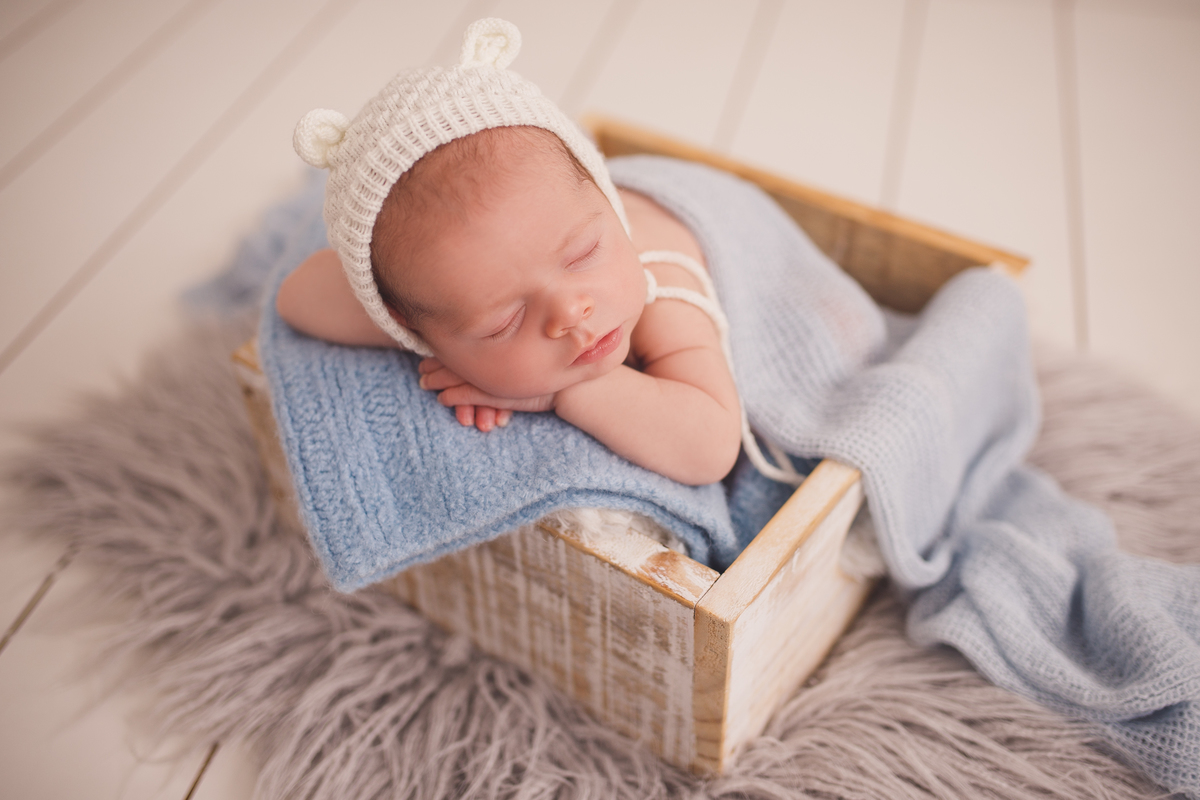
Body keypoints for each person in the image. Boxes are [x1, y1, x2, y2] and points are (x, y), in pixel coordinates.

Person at [276, 19, 742, 486]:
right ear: (409, 324)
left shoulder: (663, 279)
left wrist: (562, 396)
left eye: (583, 254)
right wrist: (429, 338)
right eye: (505, 322)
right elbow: (295, 297)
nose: (570, 313)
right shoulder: (430, 306)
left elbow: (710, 449)